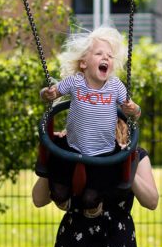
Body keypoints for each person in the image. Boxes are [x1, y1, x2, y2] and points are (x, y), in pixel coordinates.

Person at [33, 141, 159, 247]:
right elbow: (38, 199)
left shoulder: (135, 153)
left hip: (116, 243)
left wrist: (127, 163)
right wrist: (56, 157)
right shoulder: (71, 152)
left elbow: (152, 201)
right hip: (76, 242)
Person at [39, 25, 141, 218]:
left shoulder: (115, 86)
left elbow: (135, 111)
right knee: (59, 192)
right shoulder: (75, 81)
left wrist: (133, 110)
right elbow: (51, 94)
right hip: (72, 147)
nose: (106, 58)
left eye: (110, 56)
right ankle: (64, 199)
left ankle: (94, 205)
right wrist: (48, 93)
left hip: (104, 153)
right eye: (99, 54)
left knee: (90, 200)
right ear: (84, 63)